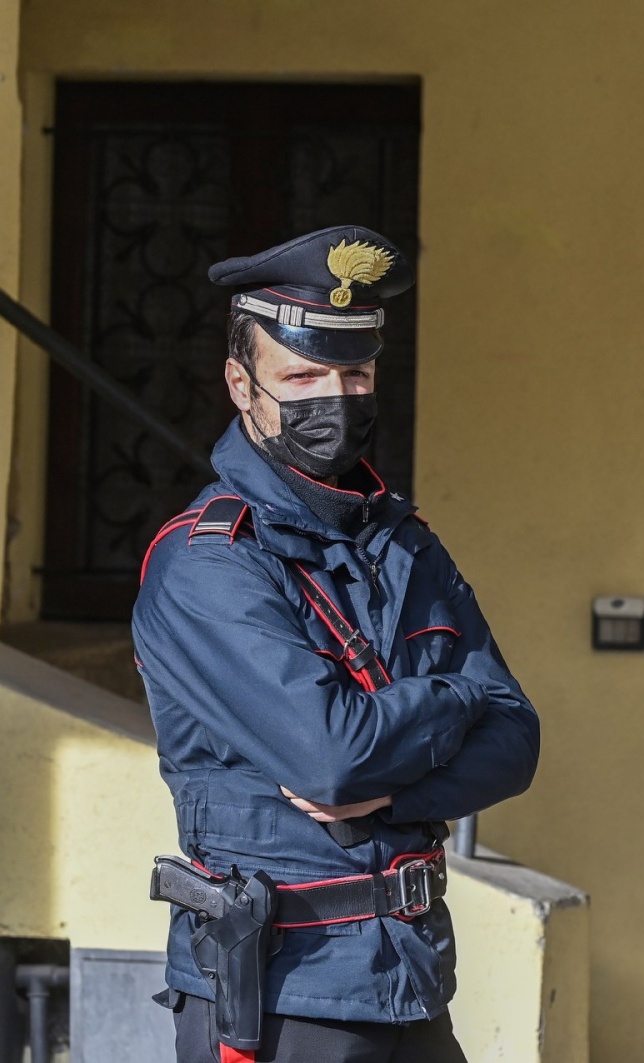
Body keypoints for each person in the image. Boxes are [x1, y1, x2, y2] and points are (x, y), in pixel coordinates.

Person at [134, 225, 540, 1063]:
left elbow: (516, 739)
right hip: (283, 998)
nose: (337, 397)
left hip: (413, 982)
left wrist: (395, 786)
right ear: (241, 386)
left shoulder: (404, 541)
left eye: (354, 373)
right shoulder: (207, 562)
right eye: (304, 375)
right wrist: (453, 705)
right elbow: (333, 759)